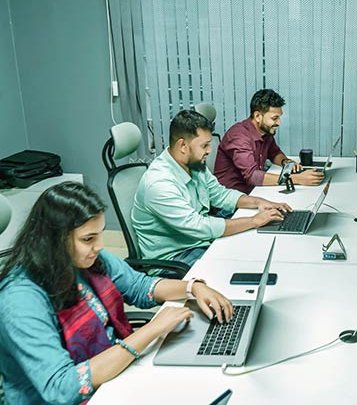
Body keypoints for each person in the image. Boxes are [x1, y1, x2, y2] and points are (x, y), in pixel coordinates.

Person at [0, 182, 234, 404]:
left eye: (100, 234)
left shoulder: (84, 259)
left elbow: (139, 286)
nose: (99, 245)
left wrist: (192, 287)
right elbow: (62, 387)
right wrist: (152, 329)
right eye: (88, 239)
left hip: (112, 377)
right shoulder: (20, 300)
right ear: (54, 240)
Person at [132, 110, 291, 267]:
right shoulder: (160, 183)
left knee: (257, 251)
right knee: (242, 266)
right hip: (176, 257)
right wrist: (254, 220)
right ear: (182, 145)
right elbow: (198, 226)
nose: (210, 150)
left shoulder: (193, 165)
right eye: (204, 145)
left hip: (200, 242)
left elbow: (220, 194)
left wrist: (259, 202)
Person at [214, 89, 324, 194]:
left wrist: (286, 162)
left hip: (254, 191)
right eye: (274, 118)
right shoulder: (238, 136)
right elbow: (252, 176)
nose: (279, 122)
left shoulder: (265, 132)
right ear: (257, 116)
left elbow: (274, 153)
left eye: (279, 117)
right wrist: (298, 179)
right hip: (231, 203)